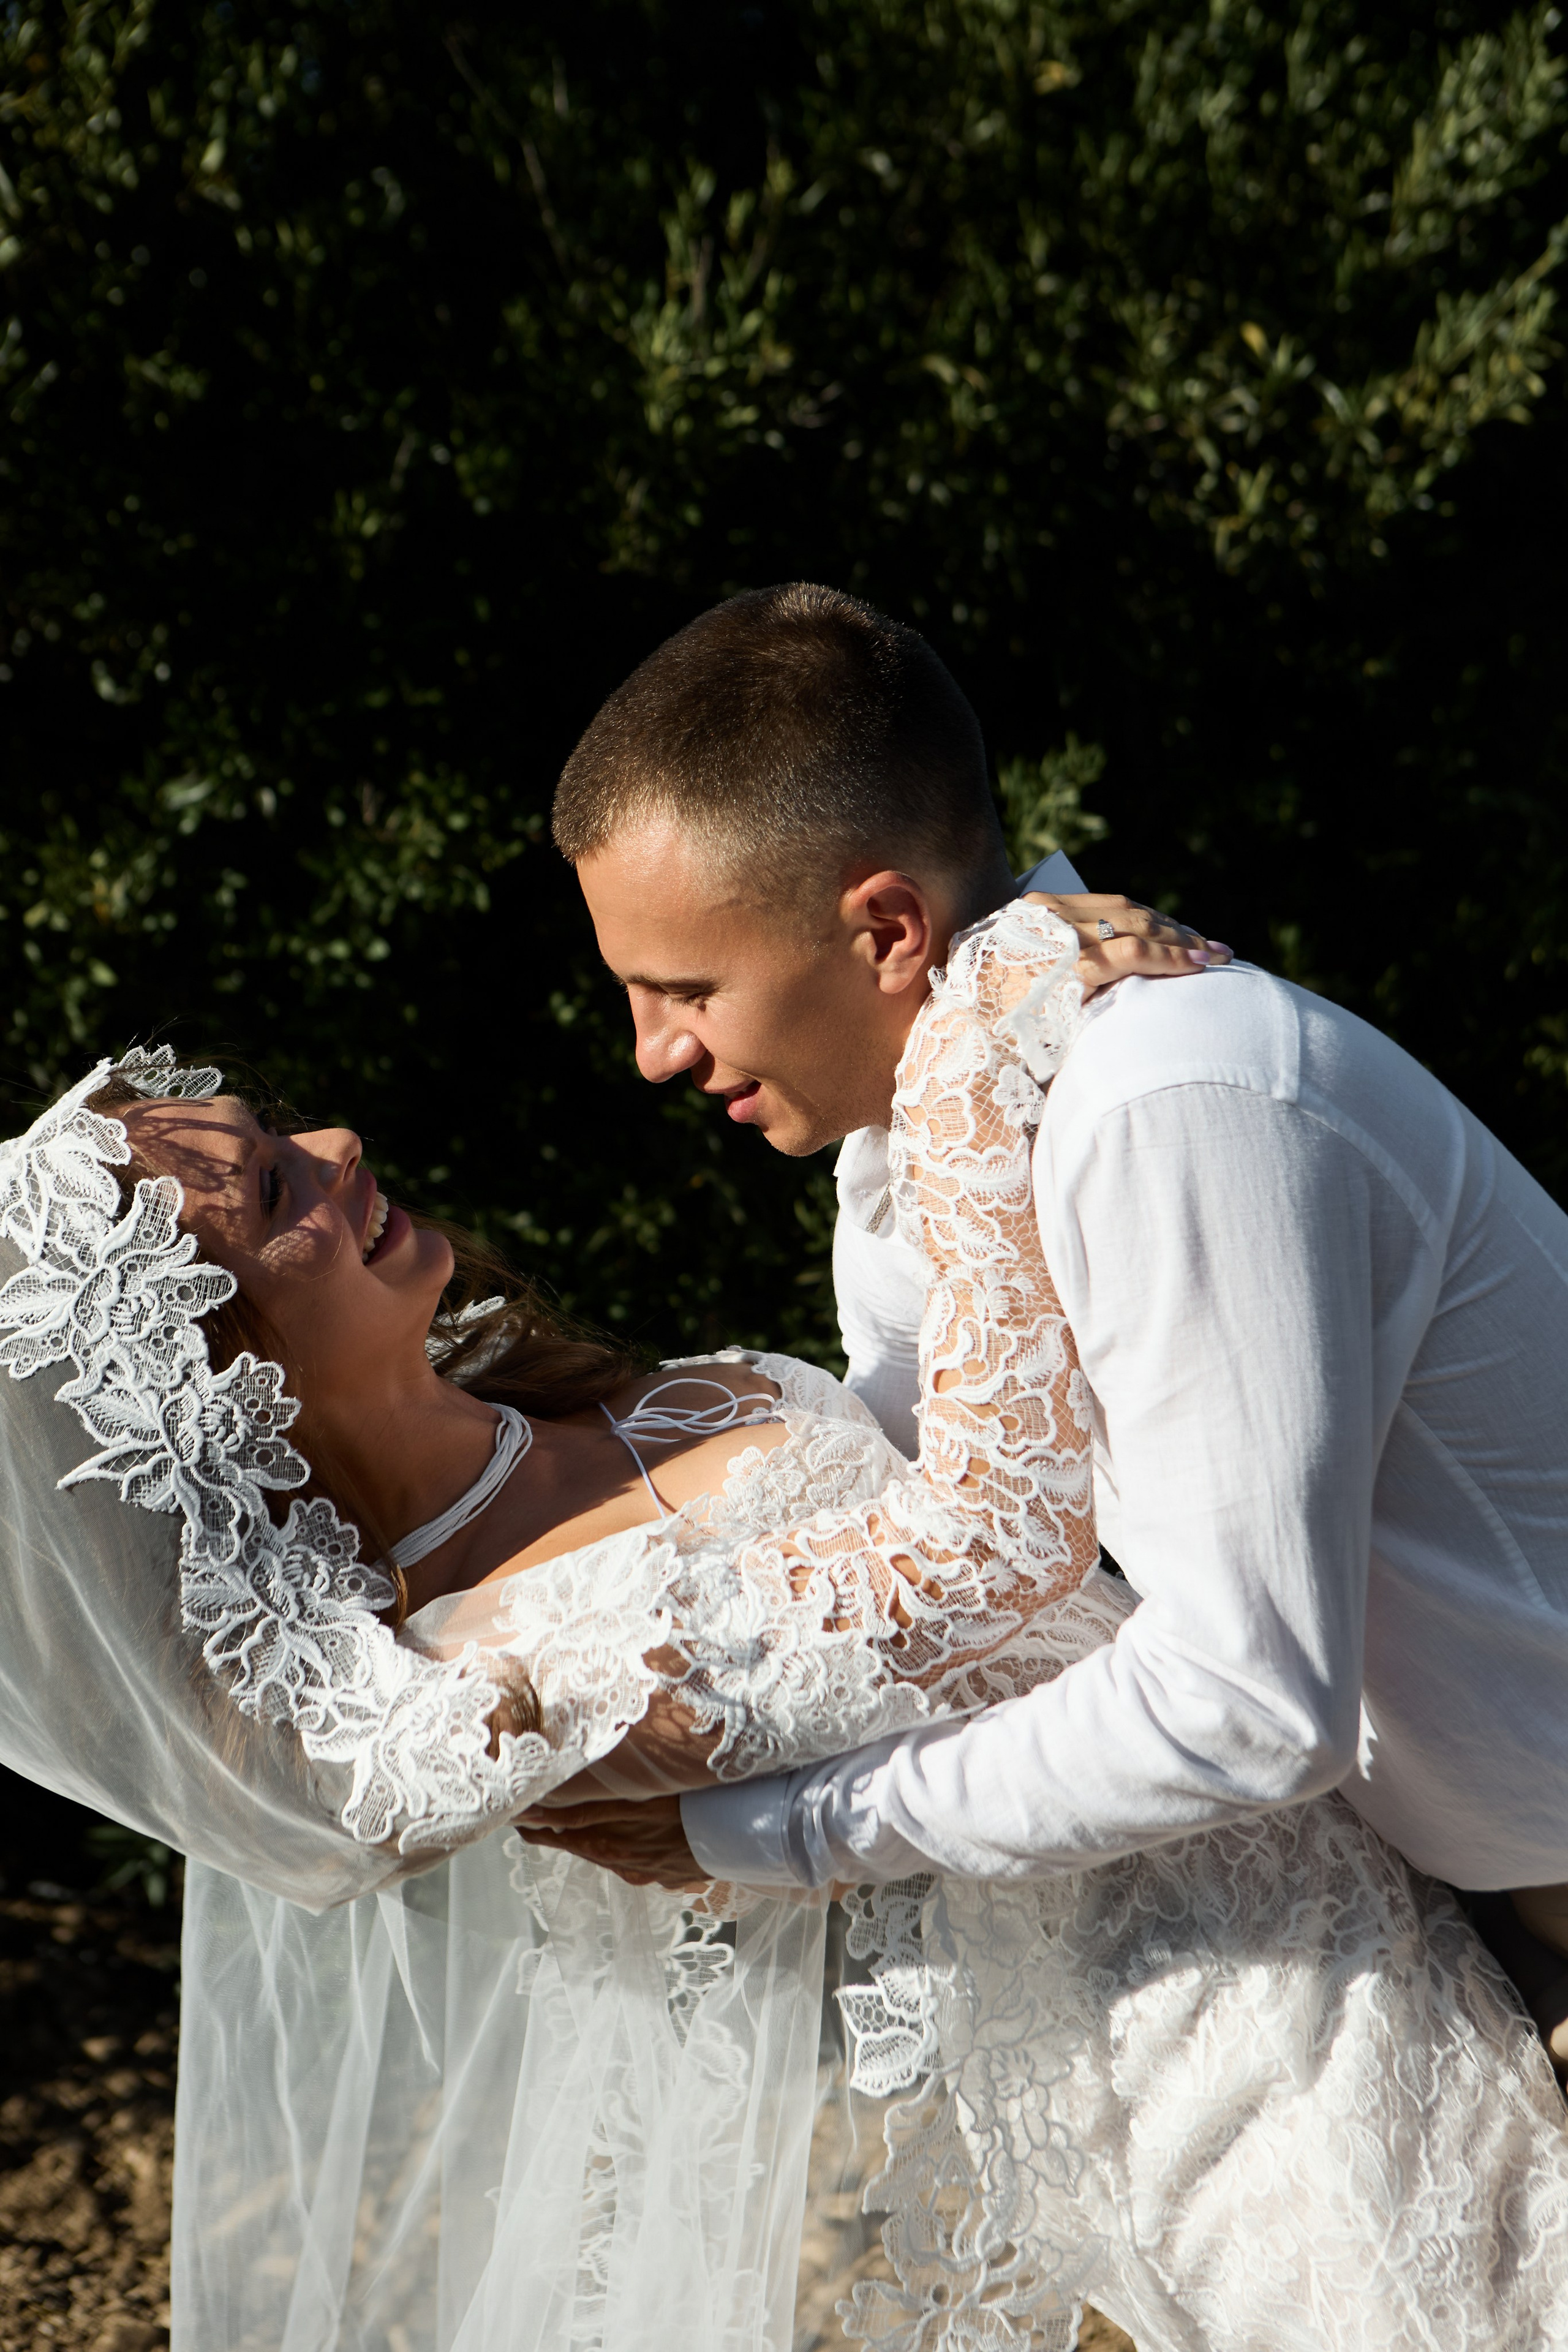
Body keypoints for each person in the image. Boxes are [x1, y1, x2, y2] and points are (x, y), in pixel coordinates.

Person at [7, 916, 1568, 2352]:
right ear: (212, 1376)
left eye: (281, 1134)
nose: (338, 1146)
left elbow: (947, 1427)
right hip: (1221, 2070)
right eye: (276, 1192)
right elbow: (986, 1541)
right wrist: (971, 1036)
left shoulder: (608, 1402)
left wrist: (931, 1065)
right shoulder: (498, 1670)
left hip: (1391, 1898)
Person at [543, 581, 1568, 2067]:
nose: (651, 1053)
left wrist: (777, 1833)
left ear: (887, 928)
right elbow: (919, 1523)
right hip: (1479, 1896)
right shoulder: (936, 1136)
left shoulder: (1162, 1100)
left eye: (684, 989)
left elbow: (1243, 1699)